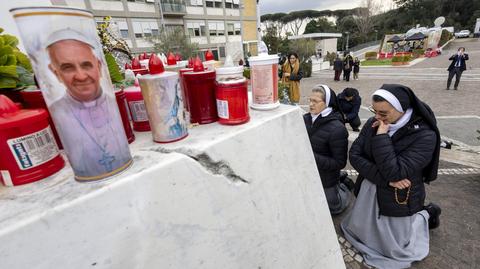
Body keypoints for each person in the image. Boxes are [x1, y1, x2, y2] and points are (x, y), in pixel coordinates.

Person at [341, 84, 442, 269]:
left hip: (398, 198)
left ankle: (428, 214)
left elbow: (395, 172)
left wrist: (381, 137)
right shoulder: (375, 120)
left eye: (383, 113)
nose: (377, 117)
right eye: (375, 111)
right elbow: (354, 155)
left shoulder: (426, 136)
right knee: (362, 228)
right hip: (373, 189)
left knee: (393, 247)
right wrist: (385, 179)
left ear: (402, 109)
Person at [46, 29, 132, 180]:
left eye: (86, 65)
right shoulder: (55, 112)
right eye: (68, 68)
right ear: (56, 73)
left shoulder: (114, 103)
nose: (80, 76)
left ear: (98, 66)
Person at [304, 84, 353, 215]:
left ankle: (343, 186)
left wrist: (310, 156)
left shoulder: (337, 129)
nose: (310, 104)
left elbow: (339, 163)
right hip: (307, 171)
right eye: (310, 100)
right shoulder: (305, 119)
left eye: (315, 101)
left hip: (326, 176)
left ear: (327, 103)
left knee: (334, 209)